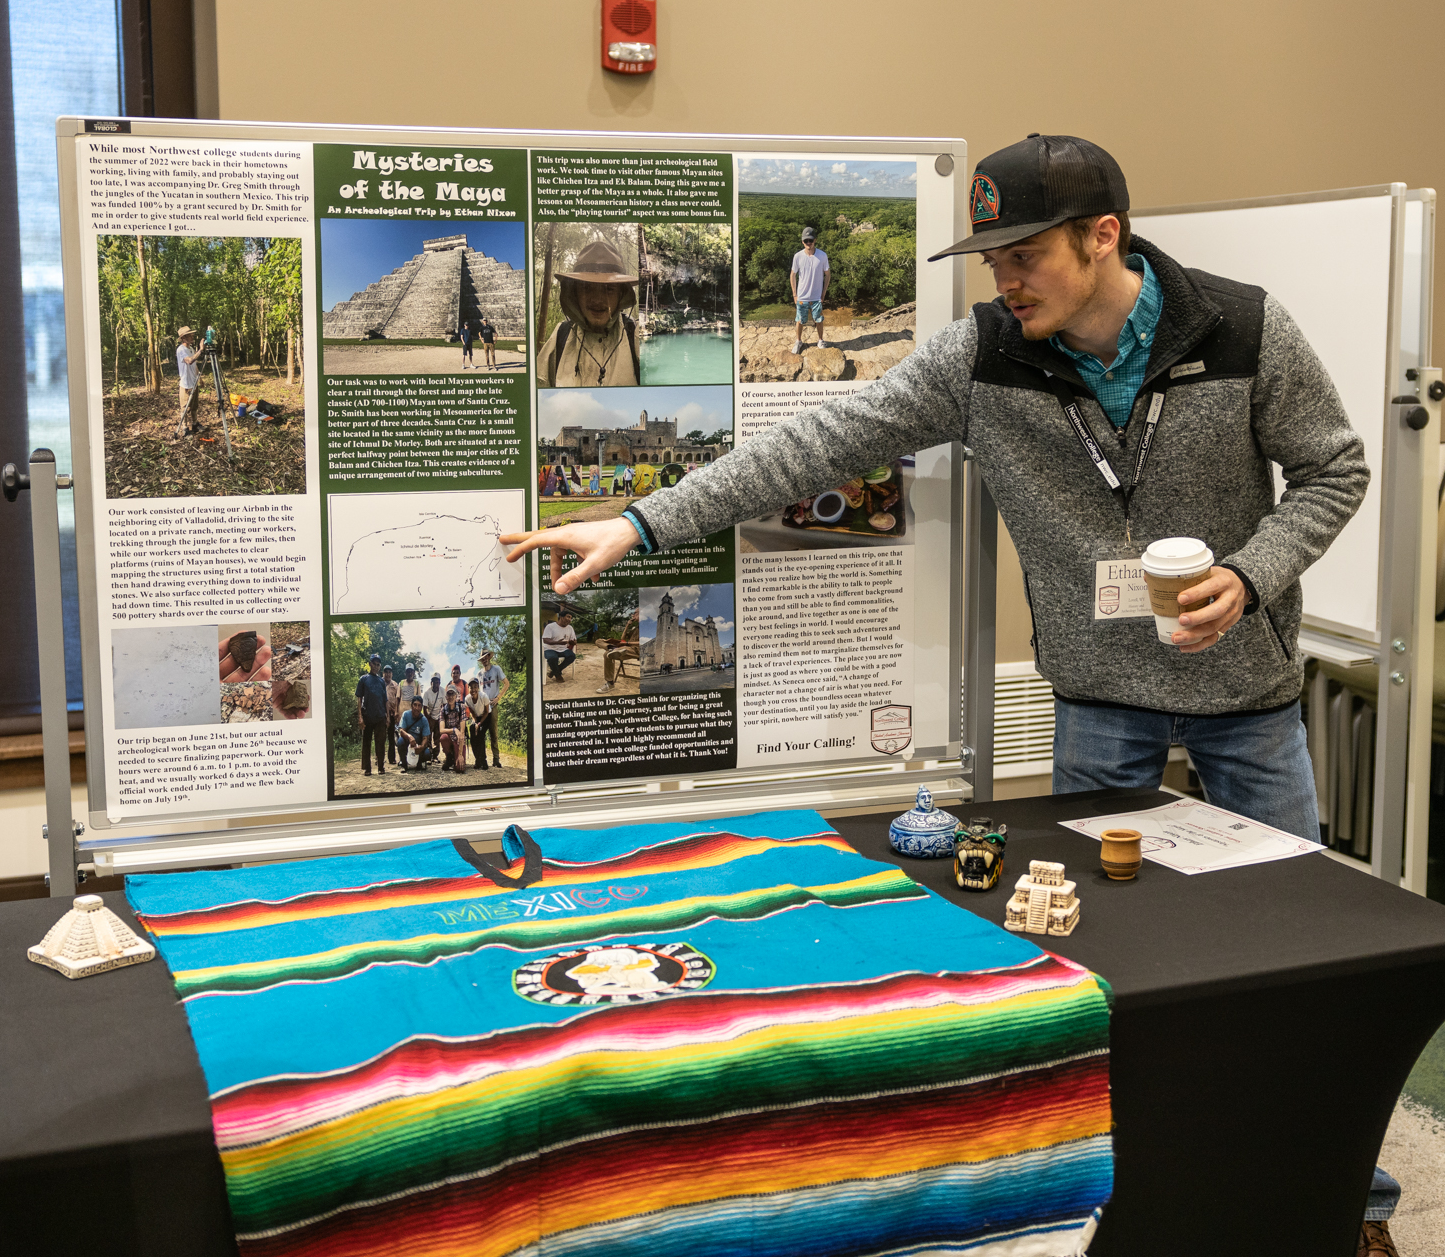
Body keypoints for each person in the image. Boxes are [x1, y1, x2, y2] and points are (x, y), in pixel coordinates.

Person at [501, 133, 1388, 1251]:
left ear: (1103, 237)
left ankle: (1350, 1196)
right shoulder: (984, 357)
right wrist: (637, 521)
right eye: (993, 260)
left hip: (1249, 697)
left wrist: (1252, 573)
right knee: (1106, 961)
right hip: (1100, 702)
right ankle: (1135, 1173)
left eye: (1025, 256)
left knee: (1306, 956)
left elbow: (1336, 469)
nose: (1004, 281)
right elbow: (816, 442)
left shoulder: (1247, 328)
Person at [536, 239, 641, 386]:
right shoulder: (560, 335)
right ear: (574, 293)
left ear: (621, 294)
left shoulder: (636, 337)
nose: (597, 299)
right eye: (587, 288)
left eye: (608, 289)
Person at [790, 226, 829, 356]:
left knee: (818, 319)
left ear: (815, 240)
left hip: (817, 296)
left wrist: (823, 294)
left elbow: (828, 275)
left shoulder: (822, 256)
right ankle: (798, 341)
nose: (808, 243)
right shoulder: (798, 256)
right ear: (802, 241)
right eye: (806, 240)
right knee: (800, 320)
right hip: (802, 296)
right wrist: (795, 294)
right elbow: (792, 275)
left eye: (810, 240)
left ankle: (820, 340)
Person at [354, 653, 391, 776]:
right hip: (367, 715)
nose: (376, 666)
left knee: (380, 743)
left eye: (378, 664)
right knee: (366, 742)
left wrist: (388, 717)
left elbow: (385, 700)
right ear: (370, 664)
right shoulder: (363, 679)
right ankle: (367, 768)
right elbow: (359, 698)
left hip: (380, 716)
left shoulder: (381, 681)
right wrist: (360, 717)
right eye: (374, 664)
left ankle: (381, 767)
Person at [476, 648, 507, 767]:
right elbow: (478, 691)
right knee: (482, 733)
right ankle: (482, 759)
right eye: (482, 659)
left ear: (489, 657)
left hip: (493, 705)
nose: (484, 660)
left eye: (486, 657)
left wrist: (499, 697)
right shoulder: (479, 674)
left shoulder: (496, 669)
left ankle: (496, 759)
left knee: (494, 732)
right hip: (483, 707)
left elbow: (506, 683)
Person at [395, 696, 435, 770]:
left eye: (419, 705)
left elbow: (425, 737)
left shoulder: (424, 720)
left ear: (422, 707)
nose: (417, 708)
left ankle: (419, 763)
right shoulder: (406, 715)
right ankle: (403, 764)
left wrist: (422, 746)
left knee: (427, 753)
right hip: (407, 743)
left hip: (418, 744)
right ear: (411, 705)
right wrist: (409, 737)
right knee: (400, 741)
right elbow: (401, 731)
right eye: (415, 705)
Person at [597, 622, 639, 694]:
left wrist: (626, 643)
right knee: (599, 641)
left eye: (635, 613)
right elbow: (622, 638)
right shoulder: (635, 628)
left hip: (635, 650)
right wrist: (627, 626)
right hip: (625, 647)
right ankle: (611, 648)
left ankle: (610, 683)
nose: (633, 615)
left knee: (606, 654)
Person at [175, 325, 200, 436]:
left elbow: (194, 364)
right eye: (190, 335)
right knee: (185, 408)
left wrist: (200, 376)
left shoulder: (191, 349)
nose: (192, 336)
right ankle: (185, 428)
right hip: (186, 384)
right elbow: (189, 360)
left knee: (194, 406)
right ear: (184, 338)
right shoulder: (181, 350)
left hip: (194, 382)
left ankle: (195, 424)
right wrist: (201, 350)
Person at [465, 677, 494, 769]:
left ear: (478, 688)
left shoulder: (484, 696)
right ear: (468, 688)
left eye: (475, 687)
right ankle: (477, 759)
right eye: (471, 687)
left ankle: (483, 760)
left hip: (486, 716)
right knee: (472, 731)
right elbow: (472, 712)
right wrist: (475, 723)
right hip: (476, 716)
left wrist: (479, 724)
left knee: (481, 733)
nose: (473, 690)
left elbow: (486, 712)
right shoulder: (467, 699)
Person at [542, 608, 578, 683]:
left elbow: (574, 640)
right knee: (552, 657)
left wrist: (573, 642)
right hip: (550, 648)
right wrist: (558, 642)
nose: (569, 619)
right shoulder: (550, 626)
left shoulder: (570, 628)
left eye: (571, 618)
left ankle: (554, 671)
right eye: (568, 617)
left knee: (572, 656)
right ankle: (558, 675)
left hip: (563, 649)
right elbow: (545, 640)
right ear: (561, 617)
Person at [437, 692, 467, 772]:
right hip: (449, 738)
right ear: (446, 697)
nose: (450, 697)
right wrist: (454, 730)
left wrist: (460, 755)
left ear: (456, 696)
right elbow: (441, 730)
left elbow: (462, 732)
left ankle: (456, 755)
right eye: (449, 695)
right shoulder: (443, 710)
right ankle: (449, 756)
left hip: (459, 740)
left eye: (452, 695)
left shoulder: (461, 707)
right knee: (443, 737)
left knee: (459, 769)